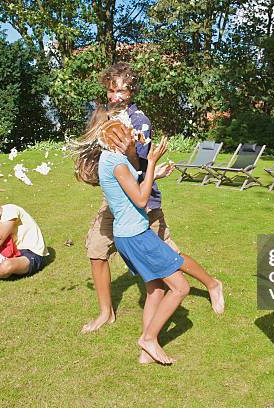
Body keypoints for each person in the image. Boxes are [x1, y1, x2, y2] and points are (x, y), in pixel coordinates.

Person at [79, 62, 224, 338]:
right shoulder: (105, 116)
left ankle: (212, 284)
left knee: (170, 256)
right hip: (115, 202)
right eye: (112, 90)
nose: (117, 96)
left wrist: (136, 155)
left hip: (143, 199)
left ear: (132, 91)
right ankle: (105, 312)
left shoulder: (139, 121)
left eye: (123, 90)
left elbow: (139, 165)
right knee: (96, 251)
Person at [96, 111, 193, 364]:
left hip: (127, 234)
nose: (133, 137)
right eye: (128, 134)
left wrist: (153, 174)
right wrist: (150, 163)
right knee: (181, 287)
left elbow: (130, 184)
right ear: (117, 139)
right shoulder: (116, 163)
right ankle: (148, 338)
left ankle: (146, 352)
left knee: (155, 288)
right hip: (137, 235)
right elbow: (140, 199)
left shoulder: (109, 159)